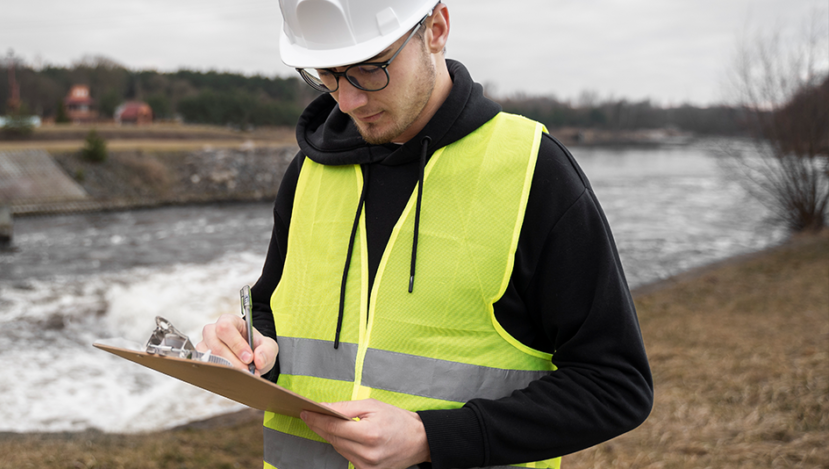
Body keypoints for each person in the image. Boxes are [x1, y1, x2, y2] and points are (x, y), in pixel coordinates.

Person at [198, 1, 653, 468]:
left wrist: (432, 437)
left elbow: (615, 384)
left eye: (369, 71)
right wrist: (253, 345)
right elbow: (272, 307)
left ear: (435, 29)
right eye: (328, 74)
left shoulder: (533, 170)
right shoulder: (308, 171)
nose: (347, 100)